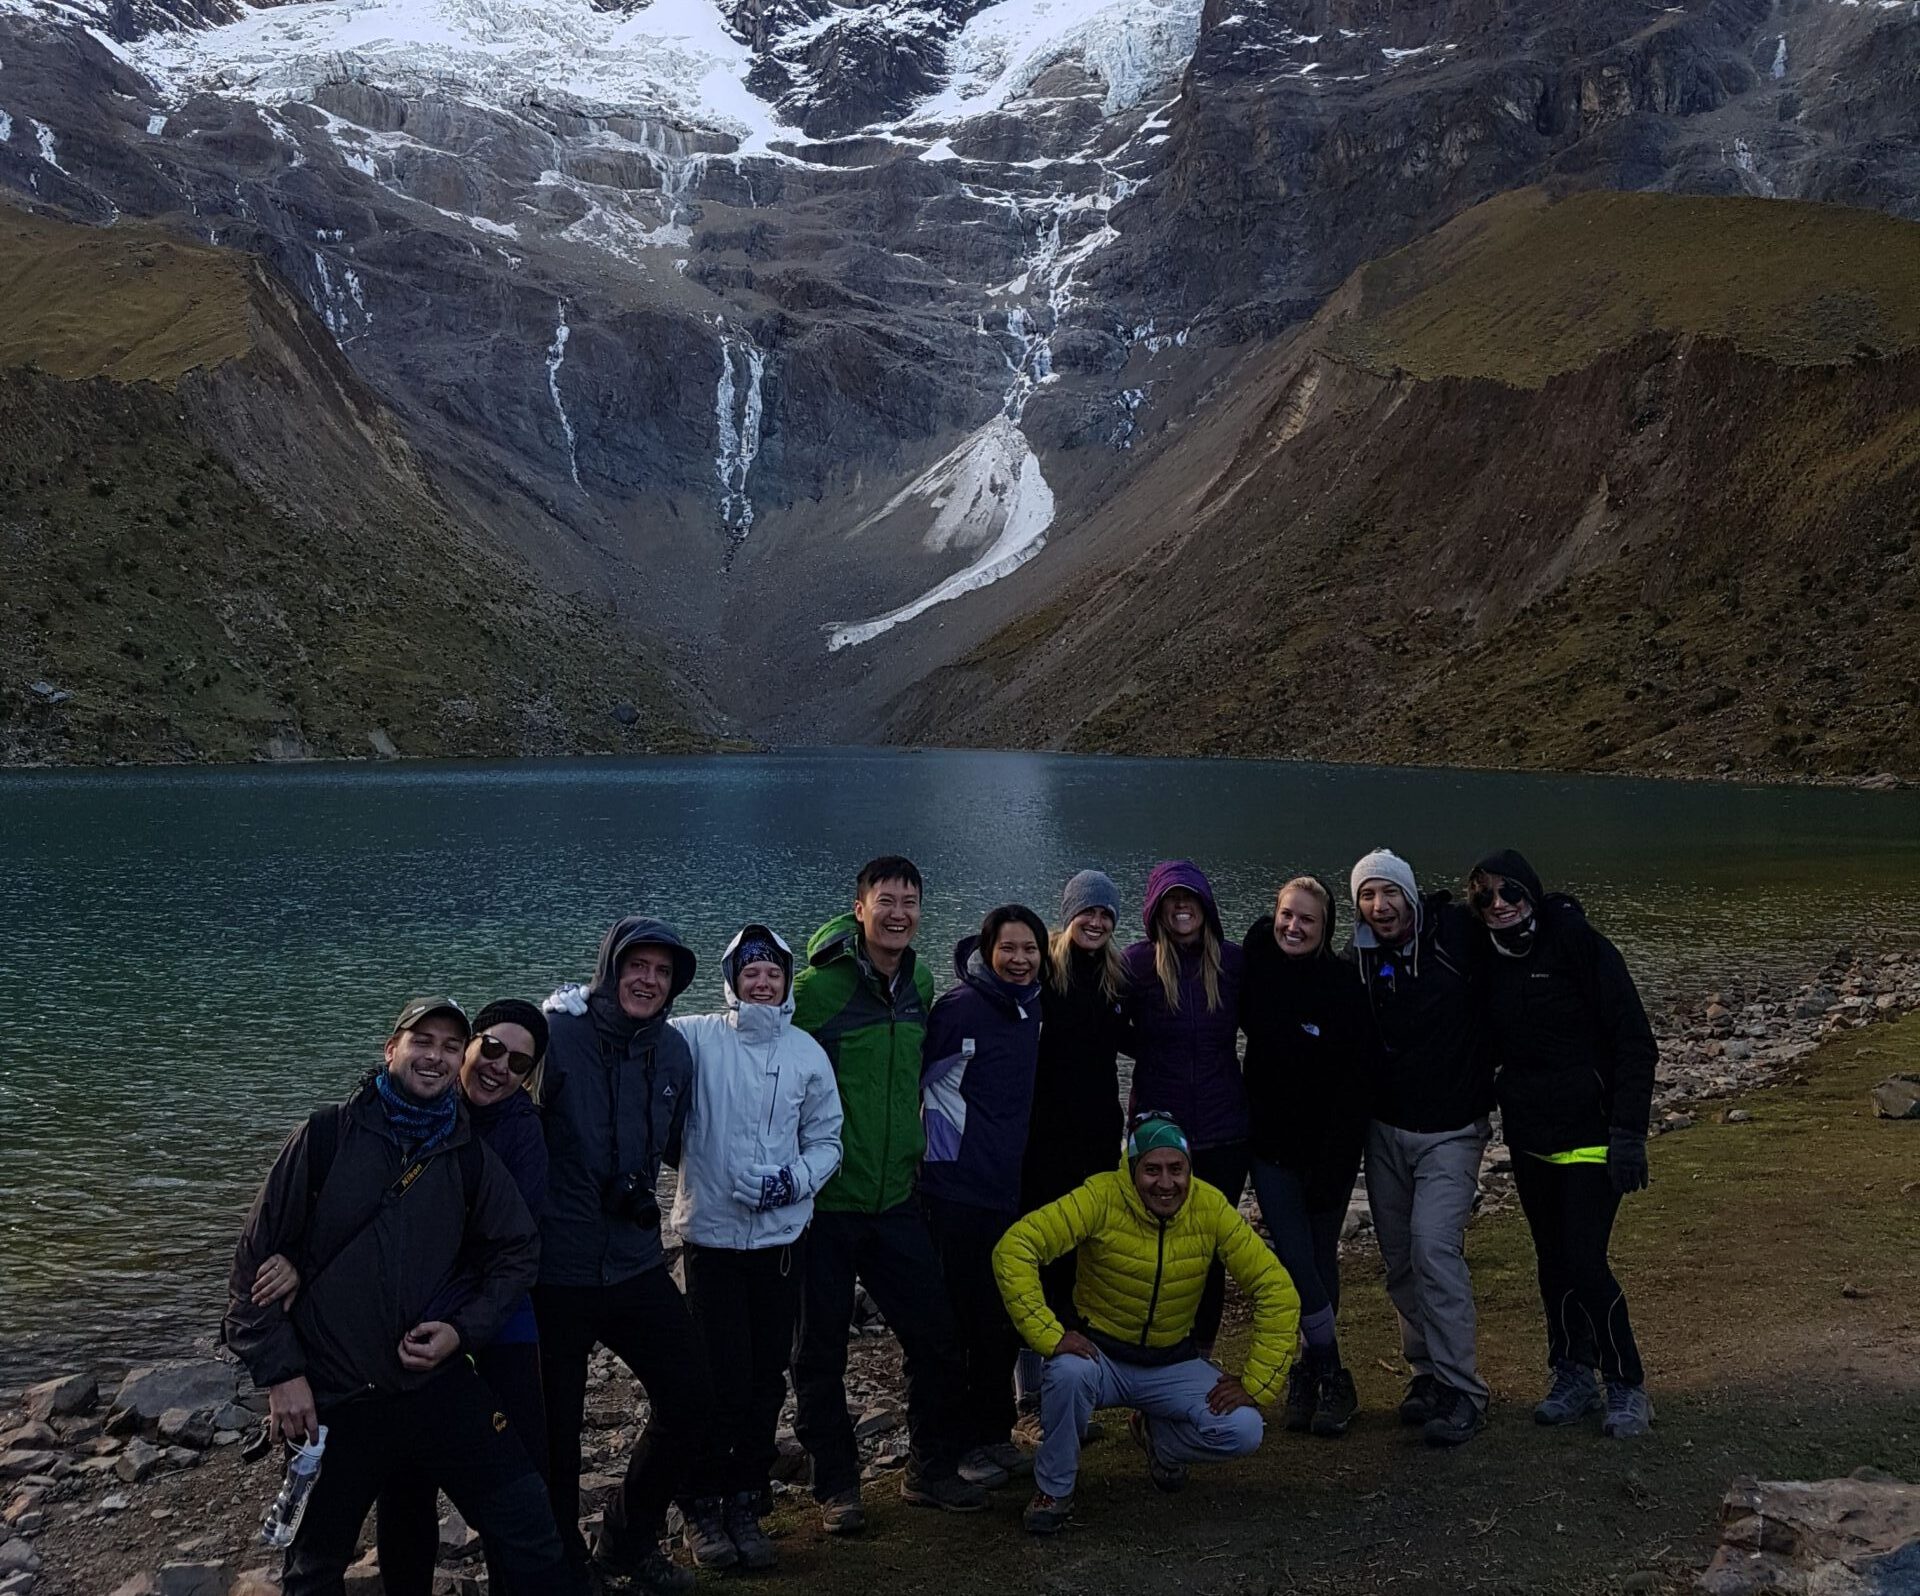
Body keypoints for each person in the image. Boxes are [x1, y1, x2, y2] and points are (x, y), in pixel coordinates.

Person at [224, 998, 581, 1596]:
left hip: (434, 1383)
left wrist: (461, 1331)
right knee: (313, 1570)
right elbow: (252, 1270)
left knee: (528, 1527)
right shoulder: (326, 1136)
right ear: (391, 1049)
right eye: (424, 1041)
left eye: (448, 1045)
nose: (436, 1057)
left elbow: (518, 1251)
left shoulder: (469, 1154)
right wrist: (283, 1376)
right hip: (337, 1394)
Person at [790, 857, 985, 1531]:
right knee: (818, 1352)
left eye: (910, 902)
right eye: (886, 900)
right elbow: (774, 1074)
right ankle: (837, 1488)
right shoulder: (818, 989)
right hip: (826, 1204)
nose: (899, 913)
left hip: (898, 1196)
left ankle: (929, 1471)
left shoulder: (922, 983)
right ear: (859, 907)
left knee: (935, 1338)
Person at [993, 1114, 1299, 1534]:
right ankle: (1055, 1488)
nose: (1166, 1183)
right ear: (1131, 1168)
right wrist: (1050, 1334)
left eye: (1177, 1169)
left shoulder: (1209, 1207)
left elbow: (1276, 1288)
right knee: (1066, 1372)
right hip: (1100, 1357)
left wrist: (1256, 1381)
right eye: (1151, 1169)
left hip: (1171, 1363)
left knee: (1245, 1430)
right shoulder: (1100, 1197)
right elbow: (1016, 1247)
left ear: (1189, 1170)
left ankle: (1160, 1440)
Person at [536, 918, 720, 1593]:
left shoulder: (672, 1052)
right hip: (555, 1269)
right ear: (609, 970)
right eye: (635, 966)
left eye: (662, 972)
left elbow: (677, 1147)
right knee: (555, 1434)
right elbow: (496, 1115)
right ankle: (561, 1569)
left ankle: (625, 1540)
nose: (648, 980)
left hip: (637, 1260)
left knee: (691, 1398)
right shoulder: (557, 1036)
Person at [669, 924, 845, 1569]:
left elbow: (827, 1138)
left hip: (779, 1241)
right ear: (732, 980)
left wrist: (791, 1181)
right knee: (714, 1378)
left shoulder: (805, 1053)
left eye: (772, 972)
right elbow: (630, 1035)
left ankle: (748, 1497)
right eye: (750, 973)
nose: (762, 982)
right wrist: (571, 1009)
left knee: (766, 1377)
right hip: (711, 1240)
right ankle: (700, 1506)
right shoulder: (695, 1037)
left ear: (786, 979)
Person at [1470, 850, 1657, 1439]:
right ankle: (1571, 1372)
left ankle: (1625, 1382)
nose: (1498, 905)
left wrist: (1629, 1133)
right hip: (1530, 1140)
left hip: (1593, 1137)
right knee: (1552, 1264)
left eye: (1511, 893)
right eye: (1485, 897)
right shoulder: (1487, 958)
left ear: (1532, 893)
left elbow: (1635, 1040)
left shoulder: (1580, 945)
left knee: (1584, 1260)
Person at [1348, 847, 1494, 1447]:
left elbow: (1513, 926)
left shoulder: (1457, 934)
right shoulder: (1360, 961)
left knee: (1435, 1249)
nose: (1381, 907)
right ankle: (1427, 1373)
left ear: (1410, 893)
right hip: (1384, 1131)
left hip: (1453, 1130)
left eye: (1389, 893)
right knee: (1402, 1261)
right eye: (1367, 896)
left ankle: (1465, 1390)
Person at [1241, 876, 1378, 1439]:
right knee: (1296, 1263)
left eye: (1307, 920)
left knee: (1320, 1259)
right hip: (1269, 1151)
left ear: (1325, 932)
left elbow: (1359, 1081)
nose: (1293, 927)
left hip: (1328, 1154)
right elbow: (1246, 947)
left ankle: (1307, 1370)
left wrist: (1337, 1160)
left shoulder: (1343, 985)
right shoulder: (1259, 967)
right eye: (1286, 915)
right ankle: (1334, 1372)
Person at [919, 903, 1049, 1489]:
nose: (1019, 960)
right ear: (987, 951)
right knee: (962, 1320)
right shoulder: (958, 1008)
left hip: (1007, 1185)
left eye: (1030, 949)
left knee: (1000, 1315)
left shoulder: (1032, 1009)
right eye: (1008, 949)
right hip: (956, 1190)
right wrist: (936, 1160)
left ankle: (995, 1434)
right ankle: (958, 1445)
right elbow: (920, 1084)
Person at [1014, 870, 1131, 1440]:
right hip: (1043, 1144)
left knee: (1084, 1265)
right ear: (1068, 916)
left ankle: (1072, 1390)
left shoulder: (1115, 979)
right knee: (1040, 1260)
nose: (1097, 922)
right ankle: (1030, 1399)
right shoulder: (1043, 976)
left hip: (1097, 1143)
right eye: (1088, 912)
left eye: (1107, 915)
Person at [1121, 860, 1248, 1358]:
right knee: (1154, 1250)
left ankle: (1199, 1357)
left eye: (1189, 898)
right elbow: (1099, 1021)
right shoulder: (1135, 965)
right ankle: (1152, 1356)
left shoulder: (1233, 964)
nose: (1181, 907)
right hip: (1158, 1132)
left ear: (1206, 908)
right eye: (1171, 899)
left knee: (1209, 1250)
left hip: (1225, 1131)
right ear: (1155, 909)